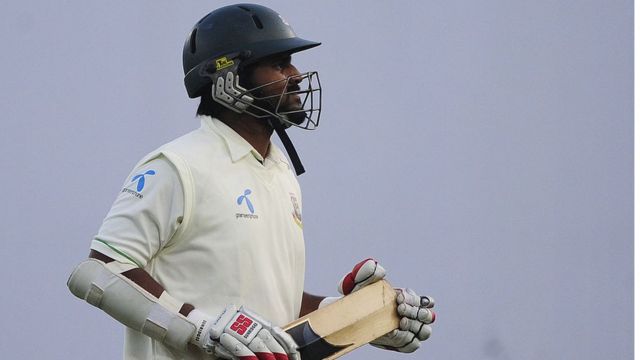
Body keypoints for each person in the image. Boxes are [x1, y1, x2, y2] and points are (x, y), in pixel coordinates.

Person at [67, 4, 436, 359]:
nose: (296, 74)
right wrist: (200, 328)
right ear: (227, 78)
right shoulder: (178, 165)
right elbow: (100, 271)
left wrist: (358, 314)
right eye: (278, 64)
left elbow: (274, 307)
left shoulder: (279, 172)